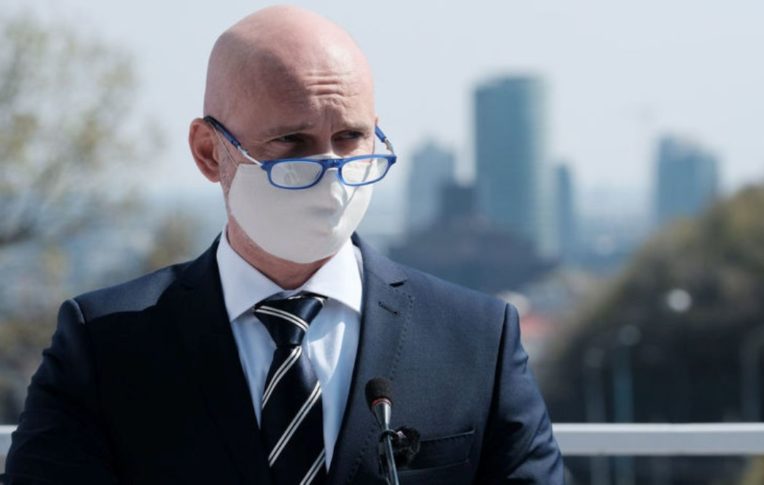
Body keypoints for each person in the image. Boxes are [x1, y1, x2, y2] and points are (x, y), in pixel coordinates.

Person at [5, 5, 564, 484]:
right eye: (291, 141)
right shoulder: (104, 346)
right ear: (208, 152)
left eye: (350, 137)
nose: (330, 170)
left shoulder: (477, 340)